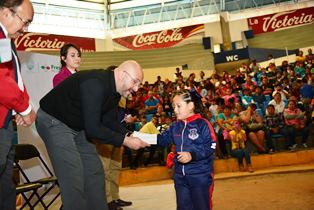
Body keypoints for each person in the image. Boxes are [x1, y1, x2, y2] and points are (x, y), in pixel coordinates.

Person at [35, 60, 149, 210]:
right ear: (122, 74)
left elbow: (108, 122)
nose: (135, 88)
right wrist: (125, 141)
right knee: (73, 175)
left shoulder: (114, 92)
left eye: (138, 84)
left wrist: (130, 135)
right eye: (135, 82)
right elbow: (93, 129)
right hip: (54, 121)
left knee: (94, 171)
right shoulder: (95, 83)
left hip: (77, 126)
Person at [0, 1, 36, 209]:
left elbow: (14, 80)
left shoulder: (7, 41)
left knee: (5, 187)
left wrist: (20, 107)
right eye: (24, 22)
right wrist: (25, 109)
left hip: (5, 123)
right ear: (6, 12)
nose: (25, 29)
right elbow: (2, 81)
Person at [157, 89, 216, 210]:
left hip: (200, 176)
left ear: (191, 106)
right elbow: (161, 139)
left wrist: (192, 155)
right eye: (174, 106)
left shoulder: (202, 124)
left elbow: (211, 145)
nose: (175, 110)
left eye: (179, 106)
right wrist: (136, 137)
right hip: (180, 177)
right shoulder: (175, 126)